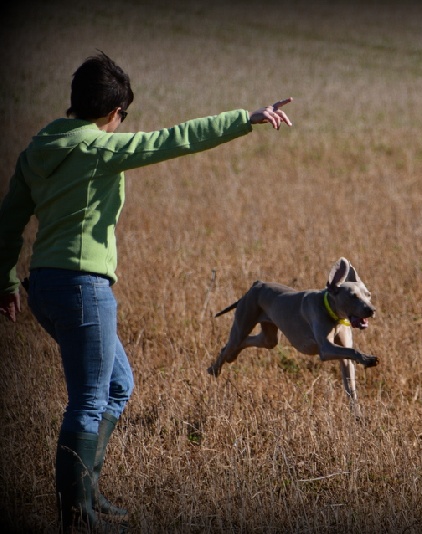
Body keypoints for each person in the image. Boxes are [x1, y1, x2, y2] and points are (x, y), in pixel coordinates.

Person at [0, 51, 292, 532]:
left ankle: (87, 494)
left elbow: (9, 223)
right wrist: (247, 119)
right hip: (82, 288)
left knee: (118, 386)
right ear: (114, 113)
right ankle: (75, 515)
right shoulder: (99, 148)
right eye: (123, 116)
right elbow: (175, 140)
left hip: (46, 287)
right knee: (88, 401)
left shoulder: (37, 150)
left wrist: (5, 280)